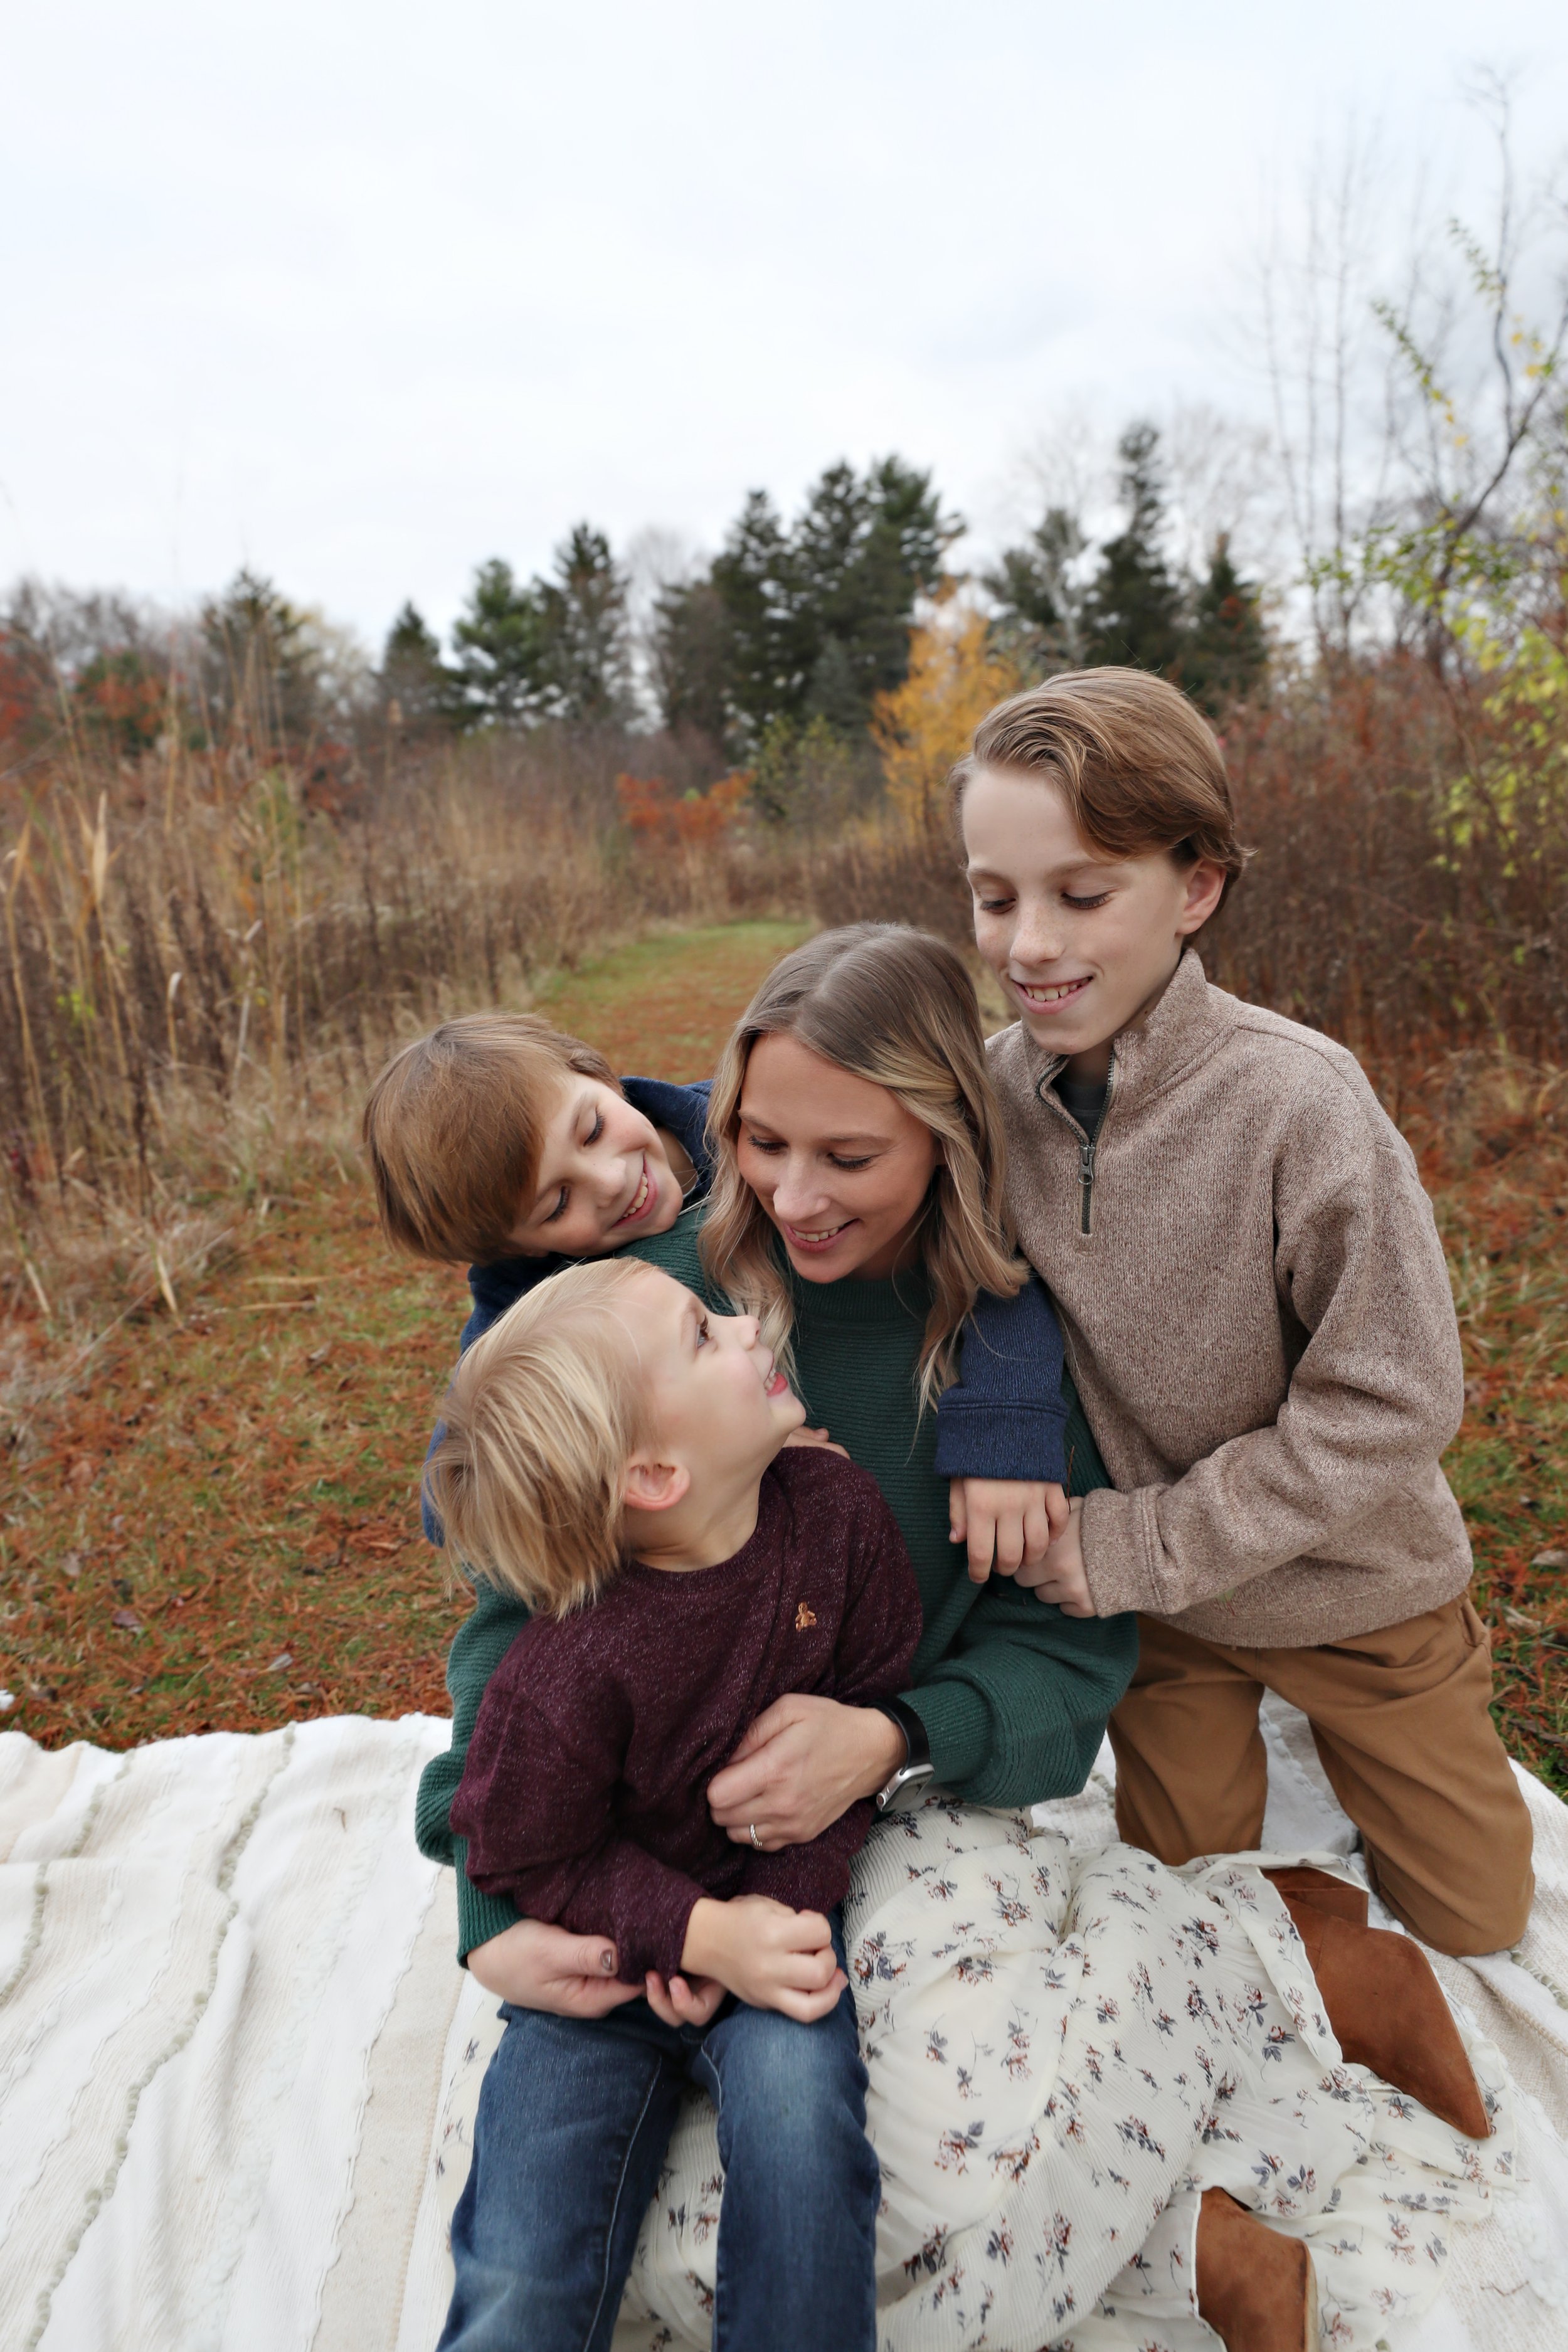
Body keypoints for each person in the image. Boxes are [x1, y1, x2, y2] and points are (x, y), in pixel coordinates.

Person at [955, 666, 1535, 1958]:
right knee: (1183, 1909)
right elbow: (950, 1273)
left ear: (1196, 886)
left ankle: (1386, 1723)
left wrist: (1138, 1545)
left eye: (1080, 895)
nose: (1028, 944)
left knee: (1476, 1919)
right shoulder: (989, 1103)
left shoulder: (1300, 1103)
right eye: (994, 899)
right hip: (1169, 1626)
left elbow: (1391, 1403)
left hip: (1354, 1587)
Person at [428, 1256, 922, 2352]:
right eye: (706, 1333)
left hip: (782, 1929)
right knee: (521, 2247)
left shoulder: (837, 1515)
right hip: (594, 1973)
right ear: (653, 1474)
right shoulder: (566, 1670)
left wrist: (770, 1926)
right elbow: (526, 1857)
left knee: (804, 2148)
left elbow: (867, 1698)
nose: (751, 1325)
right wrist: (696, 1934)